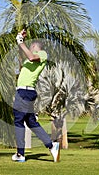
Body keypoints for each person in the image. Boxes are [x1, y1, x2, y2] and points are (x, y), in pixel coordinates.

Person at [11, 29, 60, 162]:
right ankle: (51, 145)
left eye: (30, 46)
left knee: (18, 121)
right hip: (26, 92)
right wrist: (20, 39)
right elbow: (27, 56)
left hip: (25, 92)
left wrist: (20, 42)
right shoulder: (30, 59)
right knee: (31, 122)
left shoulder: (42, 54)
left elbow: (31, 57)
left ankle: (20, 154)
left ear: (34, 47)